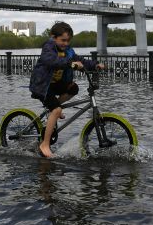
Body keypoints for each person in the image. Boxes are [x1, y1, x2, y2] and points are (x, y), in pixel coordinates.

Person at [29, 21, 104, 158]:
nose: (65, 43)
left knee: (73, 88)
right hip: (43, 86)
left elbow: (80, 60)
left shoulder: (69, 51)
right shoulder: (49, 47)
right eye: (63, 40)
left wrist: (95, 65)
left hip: (56, 84)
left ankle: (54, 110)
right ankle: (44, 144)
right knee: (57, 110)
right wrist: (70, 64)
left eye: (68, 40)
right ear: (53, 37)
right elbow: (50, 60)